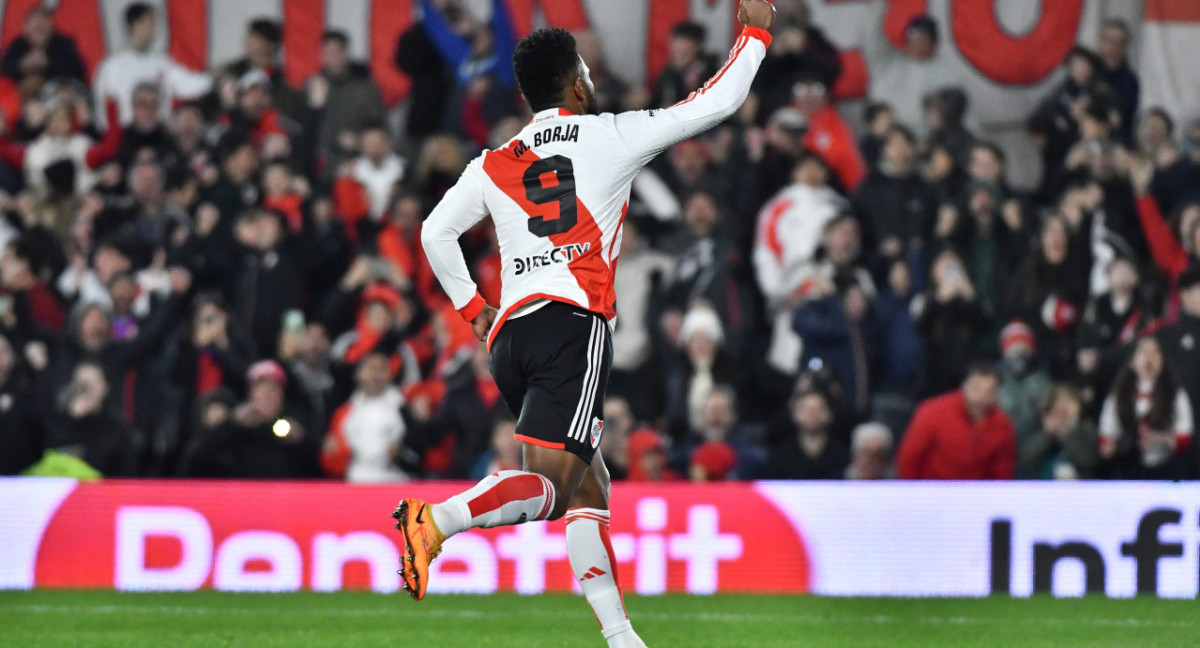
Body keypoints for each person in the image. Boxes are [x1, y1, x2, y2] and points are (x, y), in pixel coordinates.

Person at [396, 5, 775, 648]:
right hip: (572, 325)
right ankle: (435, 522)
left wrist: (473, 309)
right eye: (586, 71)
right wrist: (757, 32)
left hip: (510, 336)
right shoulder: (610, 134)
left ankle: (621, 637)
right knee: (553, 485)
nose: (592, 77)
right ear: (576, 84)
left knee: (589, 486)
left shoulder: (495, 160)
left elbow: (435, 232)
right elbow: (719, 101)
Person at [91, 3, 212, 127]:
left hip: (159, 135)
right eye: (149, 24)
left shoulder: (161, 62)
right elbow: (102, 109)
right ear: (134, 25)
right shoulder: (111, 67)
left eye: (153, 25)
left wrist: (214, 80)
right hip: (127, 136)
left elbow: (187, 84)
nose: (153, 30)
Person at [897, 362, 1016, 480]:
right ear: (964, 385)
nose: (981, 397)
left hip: (976, 495)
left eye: (989, 391)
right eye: (976, 388)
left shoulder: (1002, 424)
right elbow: (908, 459)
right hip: (932, 492)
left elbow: (1003, 473)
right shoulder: (932, 412)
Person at [1098, 336, 1193, 479]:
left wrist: (1160, 439)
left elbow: (1185, 437)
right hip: (1128, 468)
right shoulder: (1119, 395)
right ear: (1133, 362)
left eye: (1155, 353)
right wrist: (1114, 446)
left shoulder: (1176, 394)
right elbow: (1106, 435)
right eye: (1144, 352)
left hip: (1167, 469)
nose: (1150, 358)